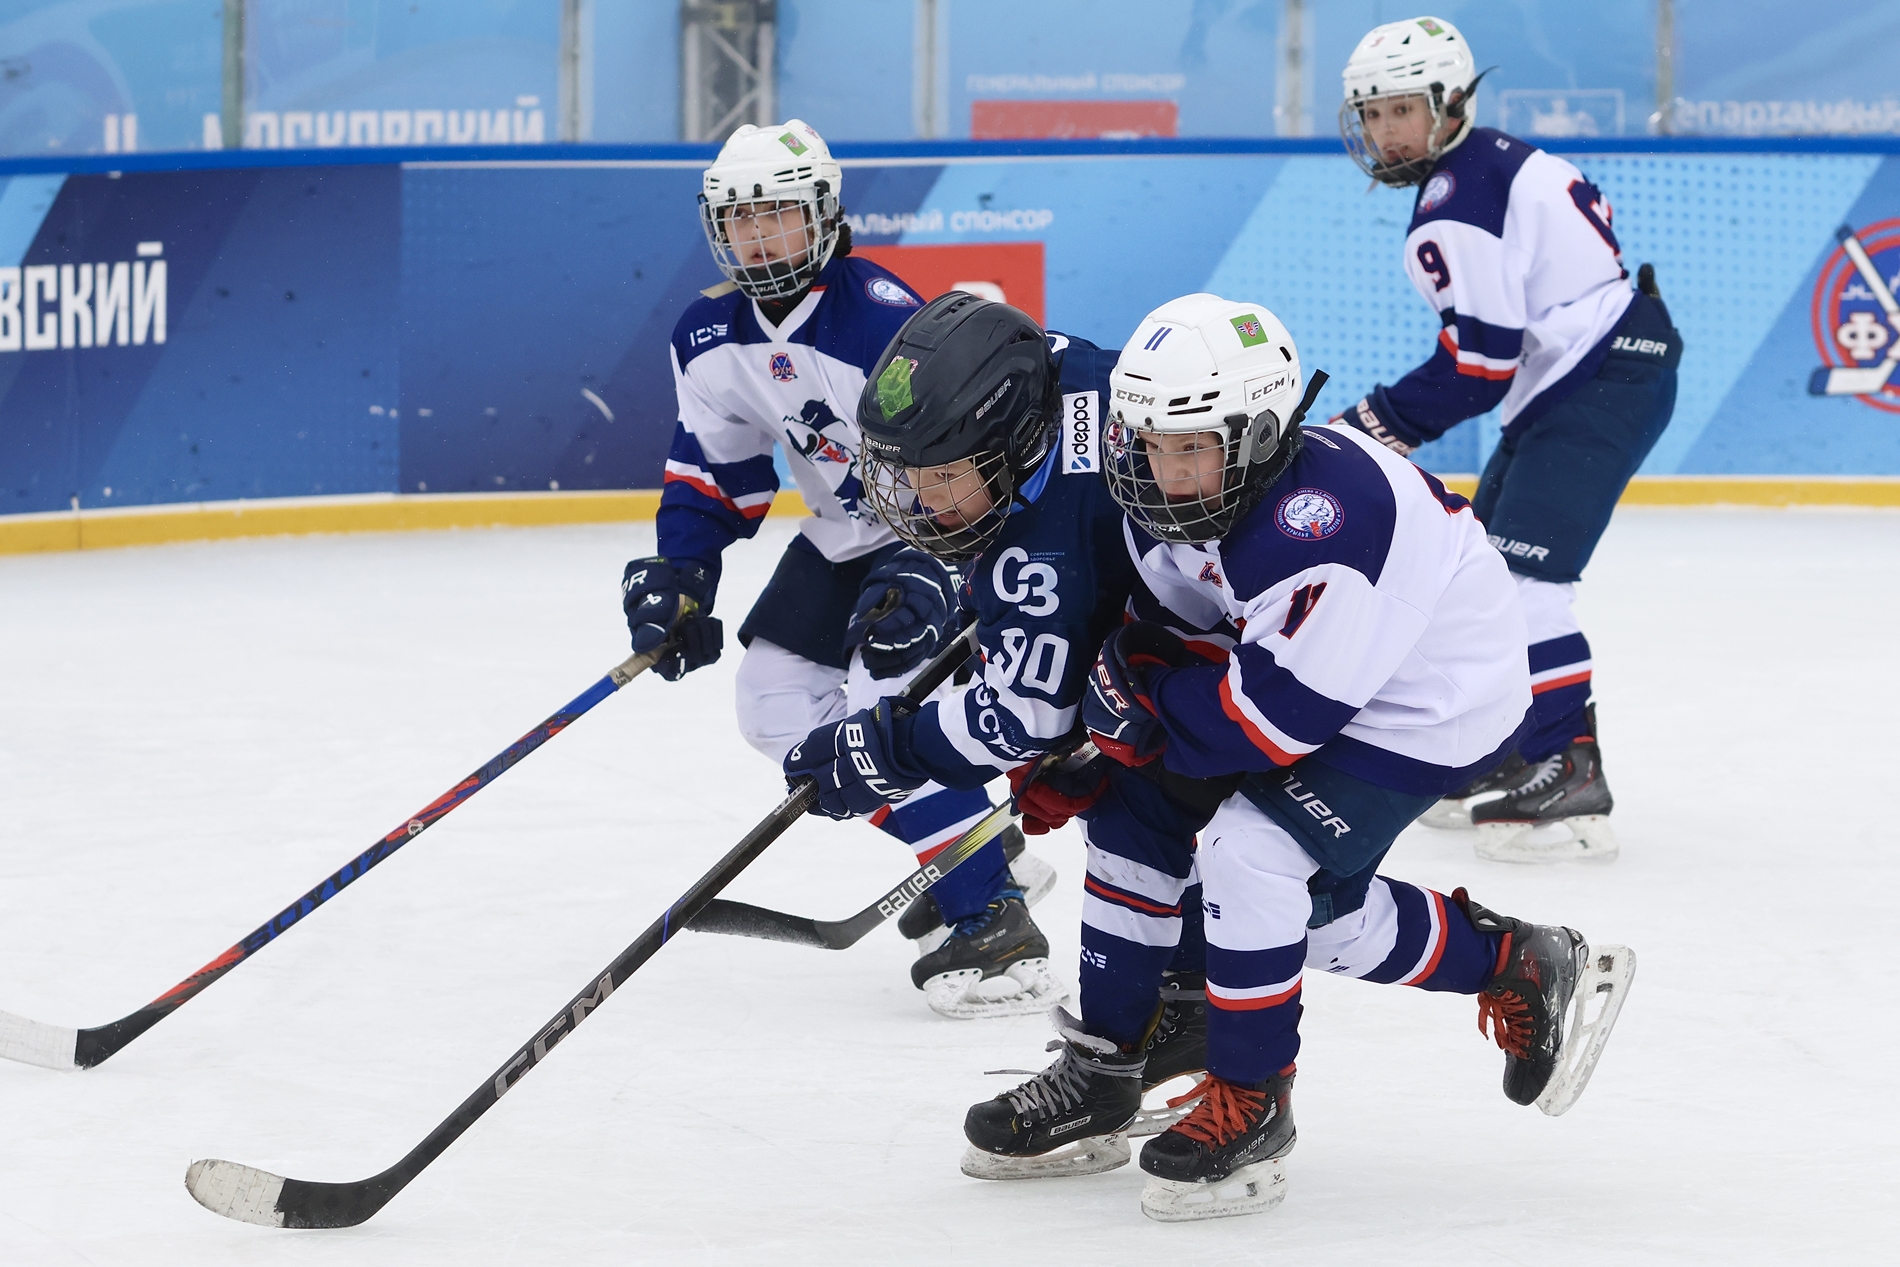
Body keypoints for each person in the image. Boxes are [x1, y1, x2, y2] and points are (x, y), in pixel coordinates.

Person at [958, 294, 1635, 1222]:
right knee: (1136, 817)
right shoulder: (1179, 488)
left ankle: (1265, 1093)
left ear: (1261, 431)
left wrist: (1132, 713)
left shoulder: (1321, 534)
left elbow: (1265, 723)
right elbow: (1164, 626)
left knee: (1258, 867)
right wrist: (1096, 738)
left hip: (1425, 705)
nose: (1164, 470)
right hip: (1305, 673)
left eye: (1191, 445)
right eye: (1149, 441)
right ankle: (1107, 1064)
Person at [618, 120, 1052, 1008]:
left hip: (940, 533)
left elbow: (975, 464)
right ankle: (971, 835)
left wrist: (941, 569)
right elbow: (716, 470)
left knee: (876, 701)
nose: (759, 238)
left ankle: (995, 921)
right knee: (771, 697)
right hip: (845, 534)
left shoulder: (881, 321)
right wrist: (684, 573)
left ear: (824, 217)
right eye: (741, 222)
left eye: (777, 217)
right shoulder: (707, 335)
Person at [781, 291, 1206, 1062]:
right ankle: (1184, 1017)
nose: (920, 497)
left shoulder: (1048, 557)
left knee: (1154, 823)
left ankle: (1186, 1032)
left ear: (1011, 443)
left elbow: (1023, 720)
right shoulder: (1064, 375)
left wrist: (880, 748)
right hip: (1198, 624)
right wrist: (938, 569)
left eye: (941, 476)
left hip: (1275, 661)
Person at [1334, 15, 1682, 862]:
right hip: (1588, 375)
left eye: (1401, 110)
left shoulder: (1461, 196)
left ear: (1449, 103)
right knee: (1482, 575)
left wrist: (1372, 428)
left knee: (1523, 584)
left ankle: (1568, 763)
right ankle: (1508, 746)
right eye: (1371, 114)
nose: (1384, 132)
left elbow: (1479, 364)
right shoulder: (1488, 159)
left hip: (1597, 379)